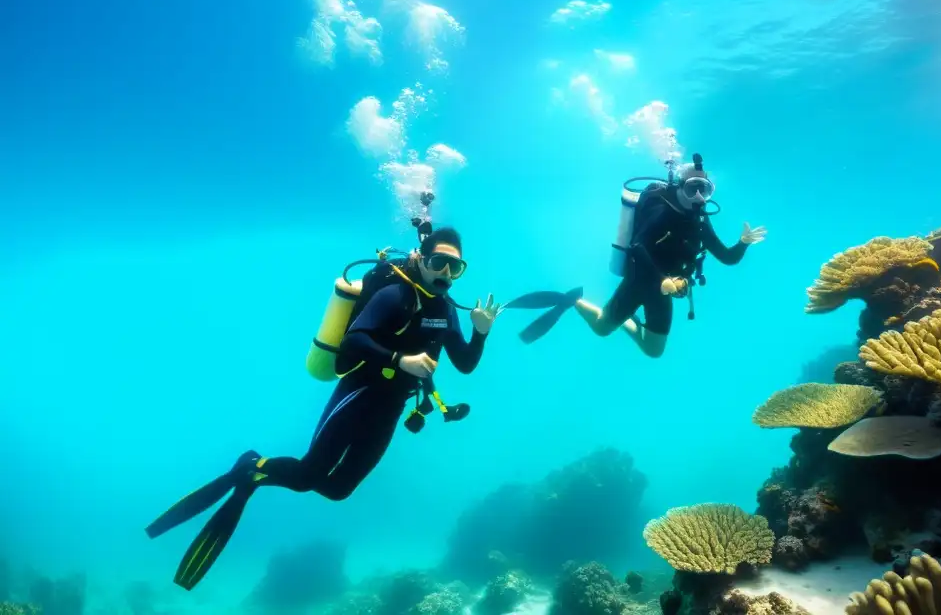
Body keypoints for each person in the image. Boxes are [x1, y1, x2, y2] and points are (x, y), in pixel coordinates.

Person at [145, 226, 502, 591]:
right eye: (439, 262)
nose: (445, 273)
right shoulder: (396, 295)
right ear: (422, 260)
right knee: (306, 478)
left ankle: (254, 472)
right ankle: (252, 468)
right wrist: (400, 359)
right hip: (358, 393)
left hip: (391, 407)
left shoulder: (445, 310)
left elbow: (465, 363)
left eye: (454, 268)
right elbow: (355, 338)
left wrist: (481, 332)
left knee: (339, 489)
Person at [510, 153, 766, 357]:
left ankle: (624, 321)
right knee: (601, 329)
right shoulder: (662, 210)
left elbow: (727, 257)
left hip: (667, 287)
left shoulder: (700, 221)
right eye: (692, 189)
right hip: (640, 281)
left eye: (705, 190)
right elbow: (638, 246)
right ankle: (571, 300)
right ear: (679, 187)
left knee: (654, 351)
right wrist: (662, 279)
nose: (699, 197)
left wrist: (743, 243)